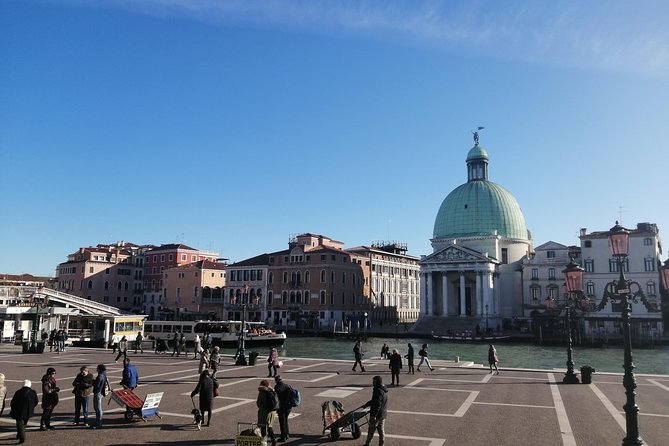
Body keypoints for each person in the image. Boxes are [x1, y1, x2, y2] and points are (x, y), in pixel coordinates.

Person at [360, 375, 388, 446]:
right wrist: (366, 405)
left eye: (374, 381)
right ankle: (382, 444)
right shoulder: (383, 389)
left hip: (377, 415)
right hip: (382, 414)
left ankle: (367, 444)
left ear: (377, 382)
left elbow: (377, 404)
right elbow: (375, 401)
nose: (372, 382)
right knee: (381, 431)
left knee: (371, 431)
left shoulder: (377, 390)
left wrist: (373, 415)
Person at [10, 379, 38, 444]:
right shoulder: (33, 392)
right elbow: (36, 401)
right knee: (24, 424)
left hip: (19, 411)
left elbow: (13, 402)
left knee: (19, 424)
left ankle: (22, 437)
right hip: (28, 411)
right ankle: (19, 434)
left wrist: (13, 409)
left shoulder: (18, 392)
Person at [256, 379, 278, 446]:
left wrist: (262, 408)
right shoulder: (272, 391)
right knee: (269, 426)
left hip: (264, 412)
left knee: (263, 426)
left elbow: (259, 403)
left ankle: (264, 441)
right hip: (273, 411)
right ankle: (273, 439)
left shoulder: (262, 392)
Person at [273, 375, 293, 442]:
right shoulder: (287, 386)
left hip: (281, 407)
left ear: (276, 380)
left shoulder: (277, 387)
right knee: (285, 421)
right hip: (288, 406)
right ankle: (287, 434)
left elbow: (275, 399)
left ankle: (283, 437)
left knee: (282, 422)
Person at [92, 364, 109, 429]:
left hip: (98, 392)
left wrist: (93, 382)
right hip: (101, 392)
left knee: (97, 408)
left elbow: (97, 385)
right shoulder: (104, 374)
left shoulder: (100, 376)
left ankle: (99, 422)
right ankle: (98, 421)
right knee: (97, 408)